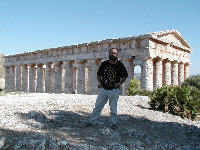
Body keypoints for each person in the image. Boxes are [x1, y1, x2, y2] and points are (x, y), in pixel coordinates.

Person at [86, 48, 128, 130]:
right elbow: (98, 75)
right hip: (104, 89)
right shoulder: (104, 64)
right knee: (98, 106)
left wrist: (119, 84)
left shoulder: (120, 65)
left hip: (114, 90)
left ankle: (113, 123)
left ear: (117, 55)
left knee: (113, 107)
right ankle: (91, 121)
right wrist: (100, 83)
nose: (113, 54)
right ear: (109, 54)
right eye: (111, 53)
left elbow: (125, 76)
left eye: (115, 53)